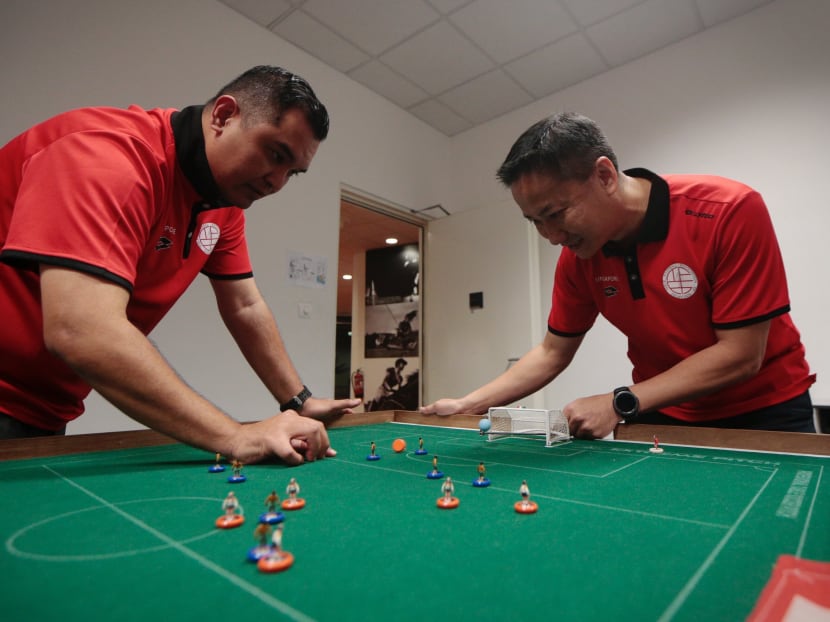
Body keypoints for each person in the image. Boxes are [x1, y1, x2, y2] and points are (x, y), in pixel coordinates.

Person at [0, 65, 361, 461]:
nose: (277, 182)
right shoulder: (107, 154)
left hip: (46, 412)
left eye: (292, 172)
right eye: (275, 154)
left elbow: (245, 306)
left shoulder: (223, 206)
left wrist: (299, 401)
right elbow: (80, 329)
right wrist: (237, 436)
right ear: (223, 116)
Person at [421, 112, 815, 436]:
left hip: (766, 409)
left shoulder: (728, 209)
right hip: (664, 411)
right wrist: (468, 404)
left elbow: (741, 354)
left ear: (605, 176)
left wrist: (618, 401)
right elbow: (552, 351)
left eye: (556, 214)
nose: (552, 237)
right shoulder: (578, 259)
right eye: (535, 222)